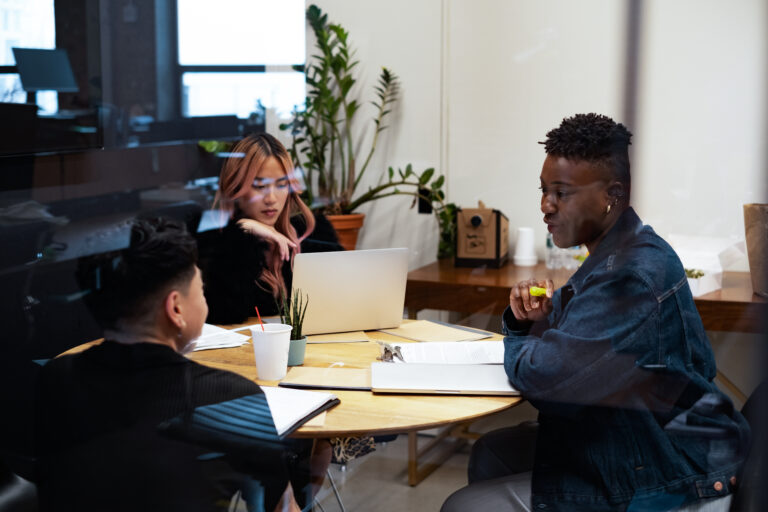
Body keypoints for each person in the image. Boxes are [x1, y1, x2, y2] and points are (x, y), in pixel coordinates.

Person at [442, 114, 750, 511]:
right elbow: (587, 352)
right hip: (636, 436)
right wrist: (528, 321)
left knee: (464, 506)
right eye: (543, 190)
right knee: (490, 453)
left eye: (562, 193)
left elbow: (544, 379)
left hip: (674, 472)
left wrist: (518, 337)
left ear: (613, 195)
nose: (545, 206)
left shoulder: (631, 276)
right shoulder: (625, 252)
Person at [35, 218, 309, 512]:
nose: (203, 296)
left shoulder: (56, 377)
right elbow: (280, 506)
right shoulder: (230, 397)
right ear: (175, 308)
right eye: (200, 287)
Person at [199, 132, 342, 325]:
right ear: (235, 188)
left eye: (282, 185)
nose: (271, 199)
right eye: (259, 186)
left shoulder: (308, 235)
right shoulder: (216, 243)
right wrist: (243, 232)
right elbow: (225, 315)